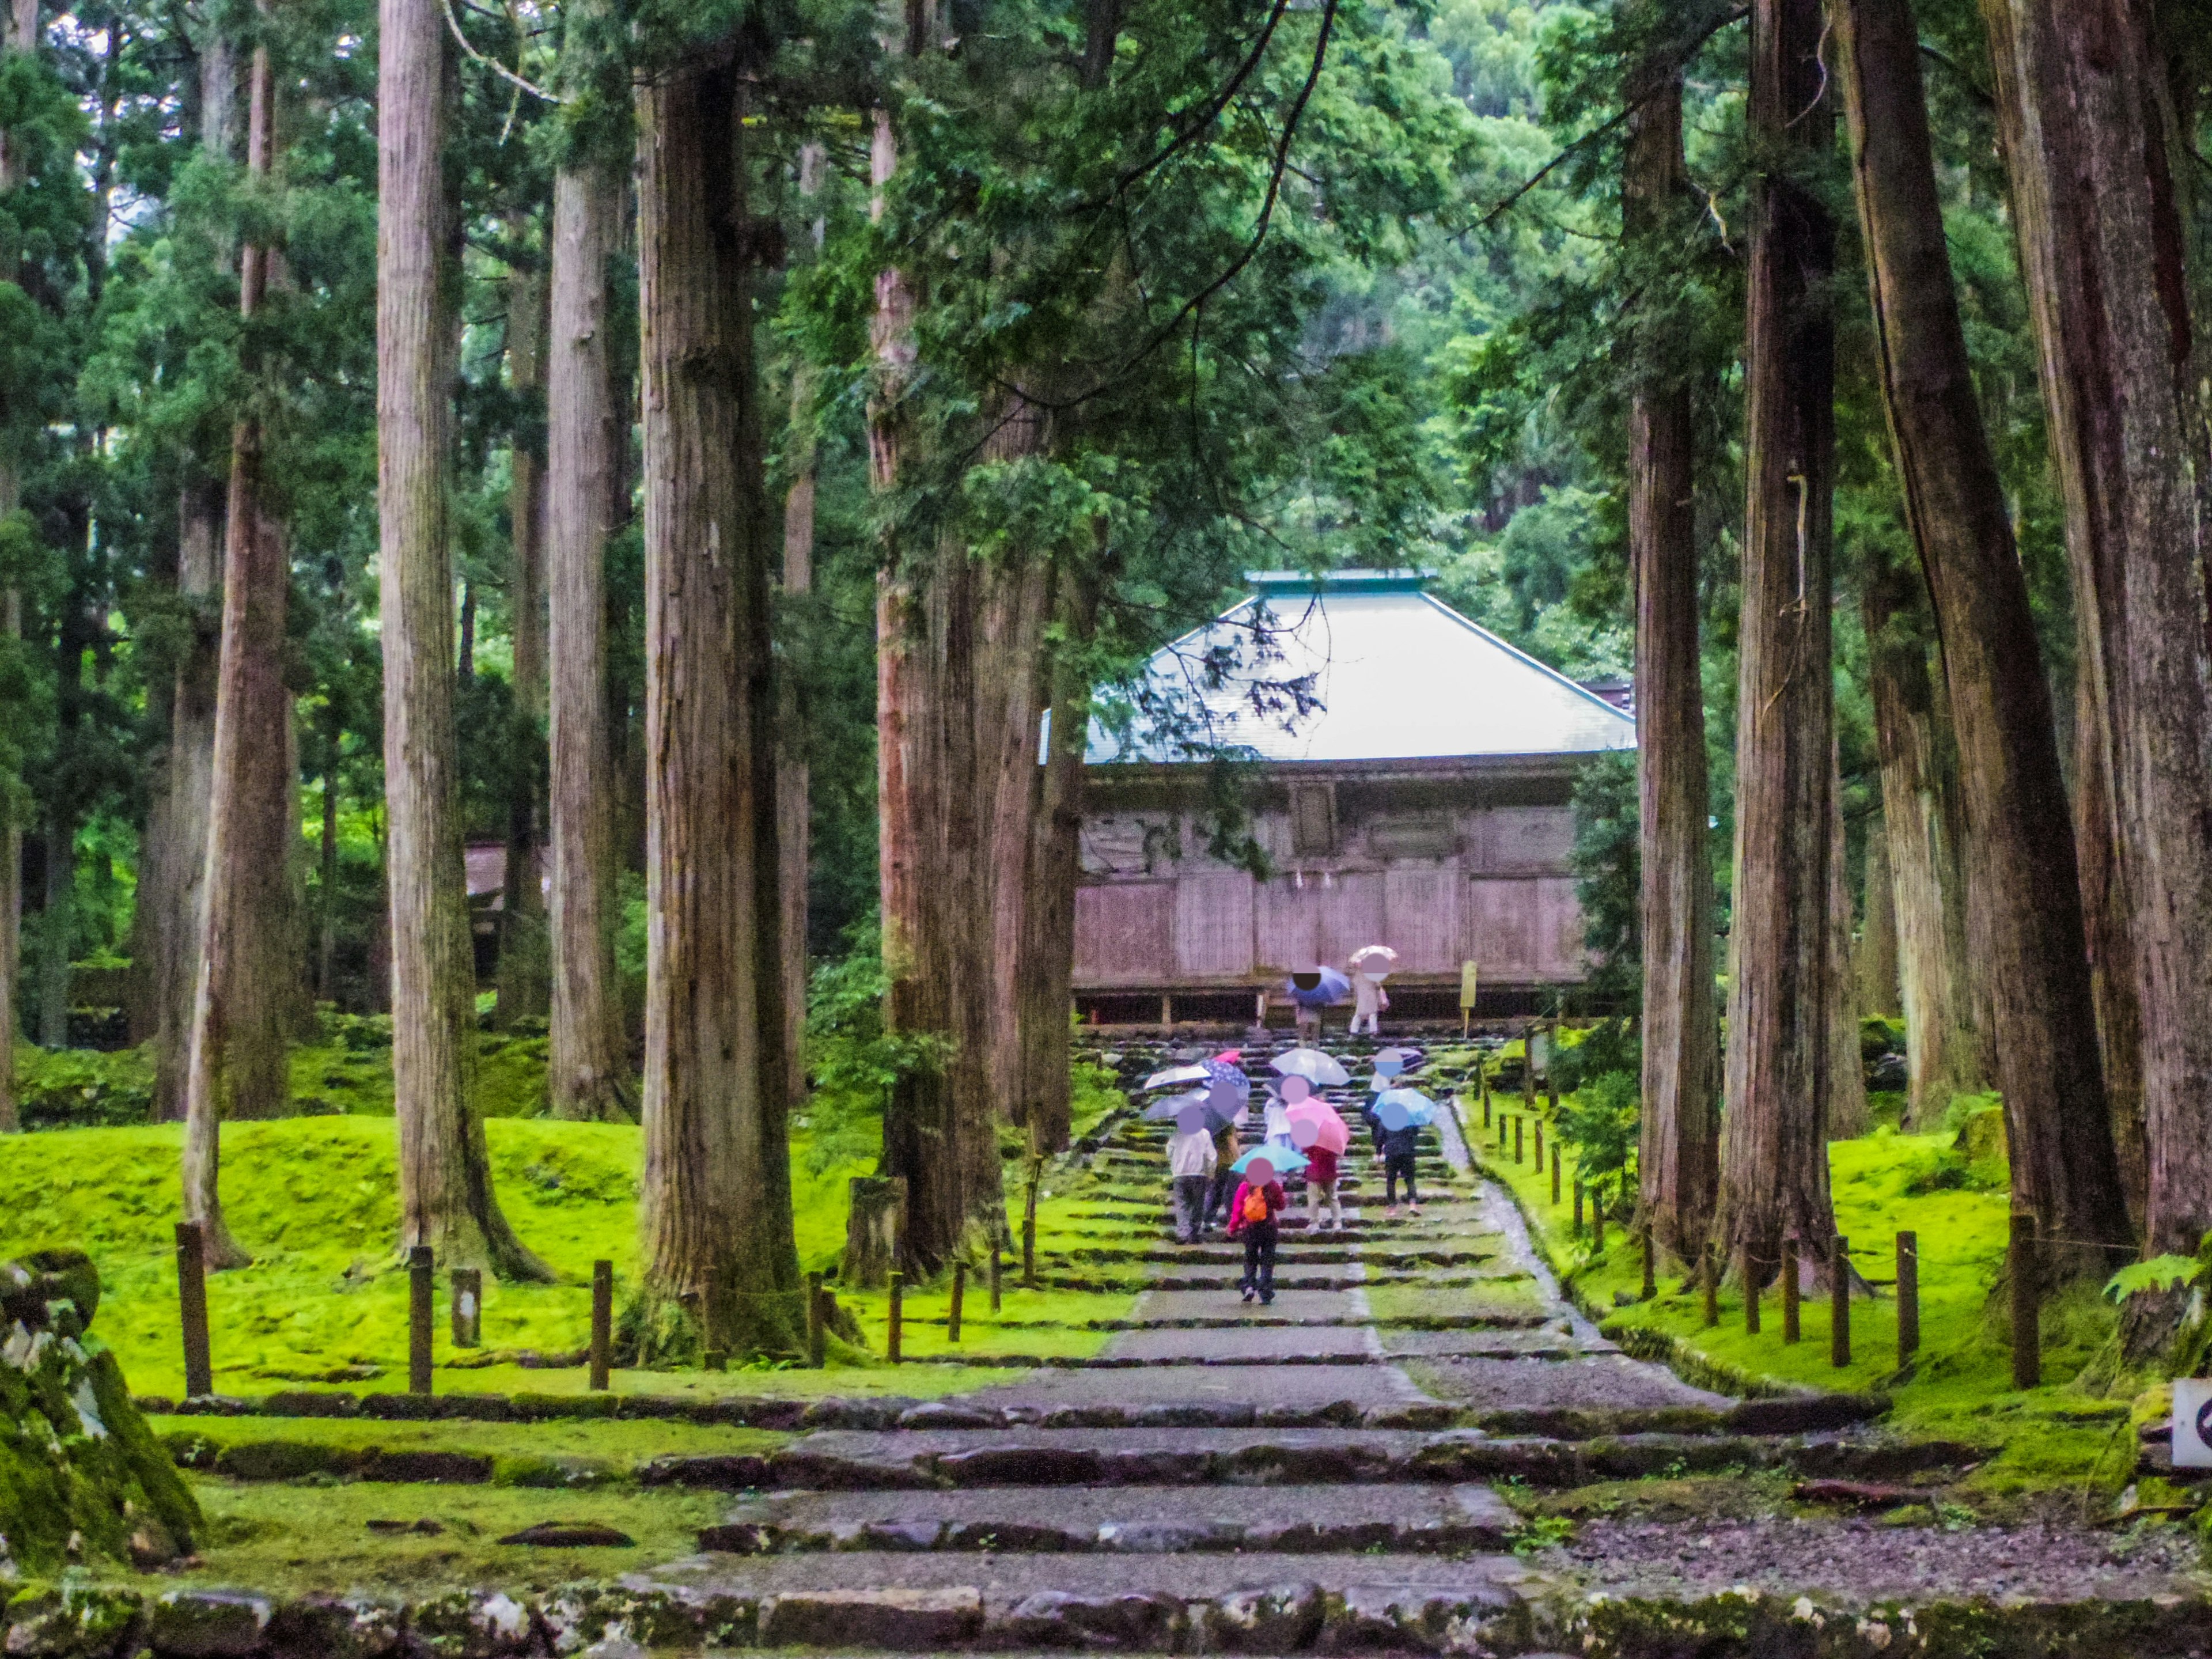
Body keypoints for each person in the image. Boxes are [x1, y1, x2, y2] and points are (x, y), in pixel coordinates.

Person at [1225, 1161, 1286, 1304]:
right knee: (1267, 1259)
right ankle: (1265, 1292)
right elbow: (1282, 1206)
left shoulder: (1245, 1187)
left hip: (1250, 1229)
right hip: (1269, 1228)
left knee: (1250, 1258)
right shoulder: (1272, 1186)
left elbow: (1238, 1211)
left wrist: (1232, 1228)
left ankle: (1249, 1286)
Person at [1168, 1111, 1218, 1245]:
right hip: (1198, 1173)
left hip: (1179, 1173)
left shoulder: (1177, 1133)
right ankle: (1194, 1233)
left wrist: (1174, 1164)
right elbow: (1211, 1157)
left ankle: (1183, 1233)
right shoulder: (1204, 1134)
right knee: (1197, 1204)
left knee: (1182, 1204)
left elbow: (1169, 1152)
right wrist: (1211, 1173)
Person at [1203, 1118, 1241, 1233]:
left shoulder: (1208, 1124)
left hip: (1216, 1162)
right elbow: (1231, 1142)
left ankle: (1208, 1219)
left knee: (1215, 1192)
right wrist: (1239, 1160)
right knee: (1231, 1194)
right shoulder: (1226, 1122)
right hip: (1229, 1162)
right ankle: (1232, 1220)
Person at [1380, 1116, 1423, 1218]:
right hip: (1407, 1151)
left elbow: (1380, 1136)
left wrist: (1378, 1151)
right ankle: (1413, 1205)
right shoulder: (1409, 1118)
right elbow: (1416, 1132)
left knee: (1391, 1180)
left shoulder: (1386, 1119)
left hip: (1392, 1152)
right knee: (1410, 1179)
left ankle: (1392, 1209)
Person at [1303, 1138, 1342, 1232]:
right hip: (1330, 1171)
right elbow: (1339, 1152)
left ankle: (1314, 1222)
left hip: (1314, 1172)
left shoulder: (1311, 1139)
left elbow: (1304, 1149)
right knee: (1332, 1197)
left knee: (1313, 1198)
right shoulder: (1333, 1138)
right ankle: (1337, 1221)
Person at [1349, 966, 1388, 1036]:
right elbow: (1378, 985)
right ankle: (1373, 1031)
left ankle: (1354, 1030)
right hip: (1371, 994)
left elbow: (1355, 984)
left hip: (1362, 994)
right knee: (1372, 1013)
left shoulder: (1358, 974)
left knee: (1359, 1013)